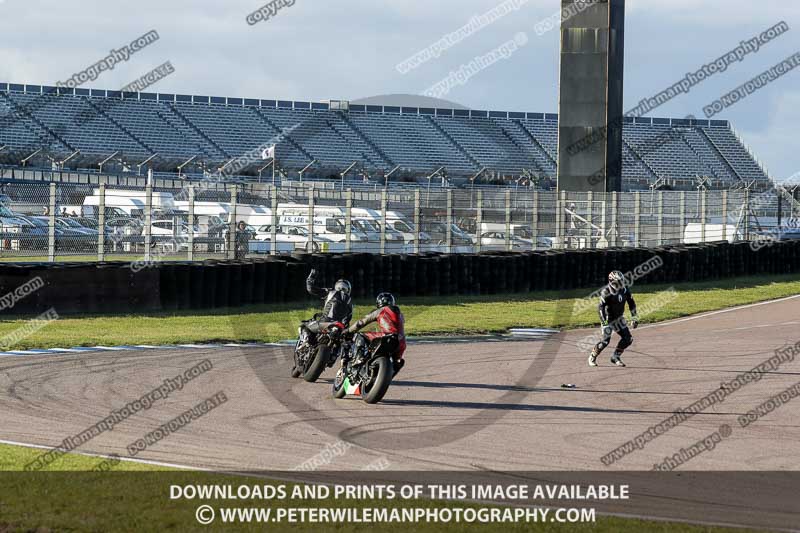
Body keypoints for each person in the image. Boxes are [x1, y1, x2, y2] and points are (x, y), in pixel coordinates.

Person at [347, 292, 406, 376]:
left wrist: (348, 331)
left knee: (360, 335)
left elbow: (361, 322)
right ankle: (391, 372)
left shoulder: (380, 310)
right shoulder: (400, 314)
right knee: (397, 361)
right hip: (401, 343)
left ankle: (359, 359)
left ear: (379, 303)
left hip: (387, 336)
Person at [589, 270, 638, 368]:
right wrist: (604, 322)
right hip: (608, 319)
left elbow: (631, 303)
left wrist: (634, 317)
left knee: (628, 339)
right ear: (612, 282)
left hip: (619, 319)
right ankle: (592, 356)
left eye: (622, 281)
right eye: (619, 281)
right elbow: (600, 308)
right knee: (605, 341)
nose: (621, 283)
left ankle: (615, 356)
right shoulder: (606, 291)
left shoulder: (625, 290)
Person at [303, 268, 353, 336]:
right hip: (339, 327)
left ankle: (307, 342)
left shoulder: (330, 292)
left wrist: (311, 277)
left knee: (304, 327)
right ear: (348, 289)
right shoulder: (350, 302)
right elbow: (347, 321)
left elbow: (310, 289)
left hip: (324, 323)